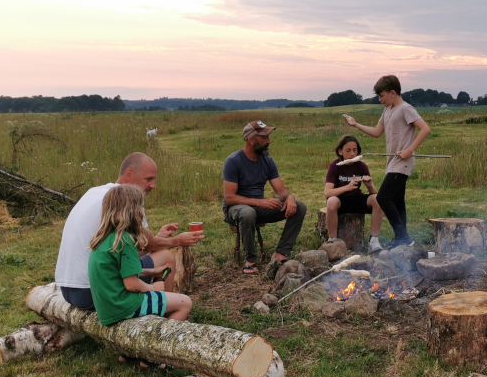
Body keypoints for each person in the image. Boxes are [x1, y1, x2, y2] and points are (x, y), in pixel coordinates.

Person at [55, 152, 203, 310]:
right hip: (94, 292)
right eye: (148, 179)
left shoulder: (95, 192)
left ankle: (157, 301)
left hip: (68, 290)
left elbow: (128, 251)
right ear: (129, 173)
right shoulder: (127, 201)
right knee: (166, 257)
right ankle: (166, 307)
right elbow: (148, 245)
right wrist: (177, 241)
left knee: (146, 258)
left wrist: (156, 240)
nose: (153, 186)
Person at [342, 75, 431, 247]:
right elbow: (377, 132)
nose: (379, 99)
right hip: (392, 163)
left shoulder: (406, 108)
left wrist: (409, 150)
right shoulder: (387, 110)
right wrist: (356, 124)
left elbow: (425, 129)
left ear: (392, 92)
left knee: (383, 197)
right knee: (398, 201)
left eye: (381, 96)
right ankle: (403, 242)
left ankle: (403, 237)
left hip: (402, 162)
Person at [87, 184, 193, 326]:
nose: (143, 212)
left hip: (107, 308)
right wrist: (153, 288)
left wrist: (151, 271)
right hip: (123, 305)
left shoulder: (104, 238)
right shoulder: (126, 240)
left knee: (172, 301)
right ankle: (161, 339)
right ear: (133, 211)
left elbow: (116, 274)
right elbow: (131, 284)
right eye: (141, 207)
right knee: (185, 302)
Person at [223, 120, 307, 275]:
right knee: (248, 213)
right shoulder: (233, 161)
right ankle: (250, 261)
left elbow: (281, 190)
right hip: (236, 210)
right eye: (264, 138)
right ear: (251, 140)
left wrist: (290, 197)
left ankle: (280, 253)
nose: (269, 141)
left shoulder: (268, 161)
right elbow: (230, 198)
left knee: (299, 206)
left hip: (259, 208)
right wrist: (261, 202)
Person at [324, 134, 384, 252]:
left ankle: (373, 240)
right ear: (340, 151)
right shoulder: (335, 166)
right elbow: (327, 192)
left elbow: (375, 194)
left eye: (355, 150)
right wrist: (347, 187)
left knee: (378, 199)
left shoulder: (361, 166)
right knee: (331, 201)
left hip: (357, 198)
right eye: (348, 150)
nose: (352, 154)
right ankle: (333, 241)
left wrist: (370, 185)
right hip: (341, 201)